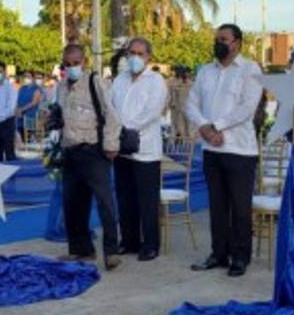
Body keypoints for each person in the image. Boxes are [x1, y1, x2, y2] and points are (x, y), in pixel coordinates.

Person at [187, 24, 265, 277]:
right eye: (216, 39)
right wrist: (205, 128)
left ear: (237, 43)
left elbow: (247, 107)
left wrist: (217, 126)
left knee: (240, 208)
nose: (219, 43)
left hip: (239, 150)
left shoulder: (250, 69)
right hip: (211, 149)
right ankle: (218, 253)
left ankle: (240, 256)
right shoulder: (206, 71)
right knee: (218, 206)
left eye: (224, 39)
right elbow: (191, 103)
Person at [56, 44, 122, 269]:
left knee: (104, 202)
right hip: (71, 150)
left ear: (83, 62)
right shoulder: (61, 87)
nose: (72, 67)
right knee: (72, 203)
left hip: (93, 150)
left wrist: (111, 144)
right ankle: (81, 250)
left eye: (76, 63)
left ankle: (111, 251)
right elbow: (62, 114)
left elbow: (112, 114)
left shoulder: (95, 82)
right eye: (67, 64)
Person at [110, 37, 169, 262]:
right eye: (131, 53)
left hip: (145, 150)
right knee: (125, 198)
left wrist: (128, 129)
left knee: (147, 200)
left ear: (148, 57)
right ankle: (129, 241)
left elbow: (152, 111)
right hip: (122, 149)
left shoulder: (156, 81)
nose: (135, 57)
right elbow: (111, 107)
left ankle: (150, 244)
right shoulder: (119, 80)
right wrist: (118, 131)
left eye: (140, 53)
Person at [167, 65, 193, 142]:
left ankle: (187, 144)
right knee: (176, 127)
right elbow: (169, 95)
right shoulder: (171, 82)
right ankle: (175, 143)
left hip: (187, 109)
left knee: (187, 128)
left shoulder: (190, 83)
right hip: (176, 109)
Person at [16, 71, 44, 140]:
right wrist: (17, 110)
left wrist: (21, 110)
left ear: (33, 78)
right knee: (20, 135)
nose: (26, 78)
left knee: (28, 137)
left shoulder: (36, 89)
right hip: (19, 117)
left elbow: (34, 102)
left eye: (28, 76)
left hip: (30, 116)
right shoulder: (22, 88)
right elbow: (17, 101)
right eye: (24, 76)